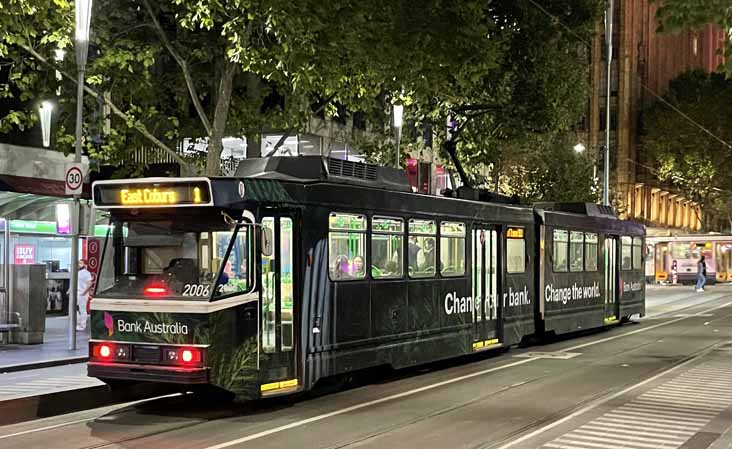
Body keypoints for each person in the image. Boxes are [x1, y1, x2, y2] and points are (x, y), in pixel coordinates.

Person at [75, 259, 93, 331]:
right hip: (77, 293)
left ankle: (83, 325)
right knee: (76, 309)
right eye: (79, 263)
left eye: (81, 263)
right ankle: (78, 324)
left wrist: (84, 292)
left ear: (85, 265)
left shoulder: (86, 273)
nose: (79, 264)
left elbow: (90, 283)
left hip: (82, 294)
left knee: (82, 310)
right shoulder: (77, 272)